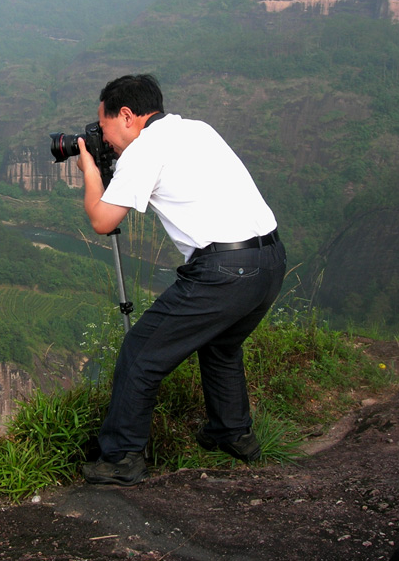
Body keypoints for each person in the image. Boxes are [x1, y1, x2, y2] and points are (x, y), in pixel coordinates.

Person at [75, 73, 286, 486]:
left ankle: (122, 459)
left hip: (226, 270)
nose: (107, 140)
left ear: (127, 116)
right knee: (221, 346)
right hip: (270, 260)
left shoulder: (145, 150)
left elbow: (102, 220)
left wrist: (89, 170)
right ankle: (231, 433)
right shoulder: (197, 129)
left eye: (104, 130)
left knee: (141, 352)